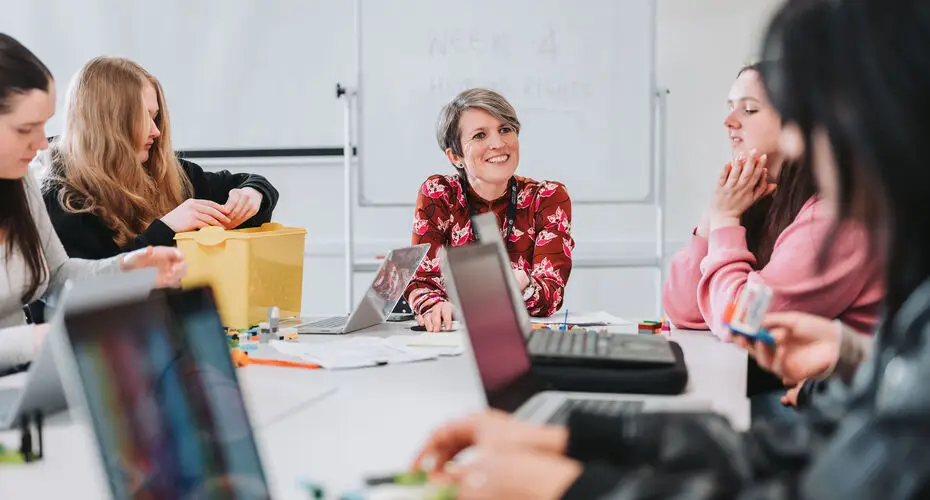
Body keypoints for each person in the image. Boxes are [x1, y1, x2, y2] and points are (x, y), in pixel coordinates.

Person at [409, 0, 930, 497]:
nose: (795, 143)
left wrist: (572, 488)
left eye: (802, 118)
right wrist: (569, 437)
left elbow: (810, 483)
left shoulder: (845, 230)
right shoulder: (910, 318)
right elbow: (791, 444)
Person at [661, 62, 884, 419]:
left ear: (797, 122)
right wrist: (713, 217)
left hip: (839, 411)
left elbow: (743, 322)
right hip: (795, 389)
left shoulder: (836, 217)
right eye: (730, 107)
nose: (730, 121)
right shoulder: (765, 197)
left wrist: (725, 221)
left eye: (748, 109)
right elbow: (684, 309)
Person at [0, 34, 185, 375]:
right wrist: (41, 339)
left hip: (21, 384)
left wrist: (131, 267)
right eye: (25, 128)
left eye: (43, 125)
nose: (42, 143)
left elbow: (58, 277)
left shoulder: (20, 180)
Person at [39, 56, 279, 260]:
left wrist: (252, 195)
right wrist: (167, 229)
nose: (156, 131)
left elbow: (251, 183)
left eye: (156, 117)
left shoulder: (164, 173)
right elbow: (92, 293)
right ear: (108, 121)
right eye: (143, 117)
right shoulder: (61, 200)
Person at [404, 88, 574, 333]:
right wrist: (433, 306)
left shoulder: (548, 197)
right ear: (455, 156)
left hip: (520, 339)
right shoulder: (439, 193)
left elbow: (551, 293)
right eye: (480, 135)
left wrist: (524, 284)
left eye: (505, 129)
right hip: (450, 338)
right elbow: (422, 280)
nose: (498, 143)